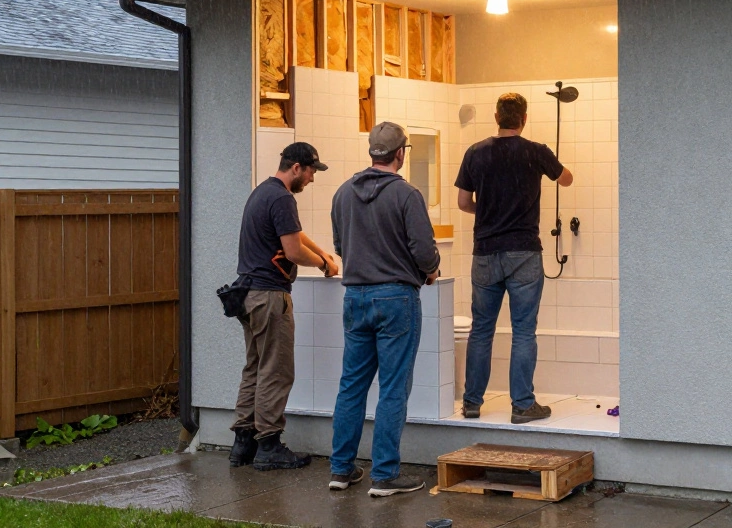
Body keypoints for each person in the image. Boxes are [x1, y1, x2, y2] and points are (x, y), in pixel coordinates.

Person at [327, 122, 441, 496]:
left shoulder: (343, 193)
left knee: (351, 385)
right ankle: (384, 475)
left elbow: (341, 246)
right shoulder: (407, 195)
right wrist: (431, 270)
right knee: (392, 388)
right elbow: (424, 251)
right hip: (396, 299)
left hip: (355, 297)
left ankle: (341, 470)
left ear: (372, 152)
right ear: (400, 154)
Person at [455, 93, 573, 424]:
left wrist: (489, 211)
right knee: (523, 330)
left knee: (481, 328)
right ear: (524, 118)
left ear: (496, 116)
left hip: (485, 254)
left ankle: (472, 403)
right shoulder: (535, 151)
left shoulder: (475, 152)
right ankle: (522, 405)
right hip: (523, 252)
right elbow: (566, 178)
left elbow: (464, 202)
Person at [230, 142, 339, 471]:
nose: (312, 179)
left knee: (254, 368)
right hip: (269, 296)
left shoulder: (261, 192)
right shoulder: (282, 198)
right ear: (296, 168)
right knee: (276, 372)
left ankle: (242, 444)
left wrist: (325, 255)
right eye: (310, 172)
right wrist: (322, 264)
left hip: (247, 295)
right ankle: (269, 446)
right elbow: (293, 251)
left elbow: (297, 235)